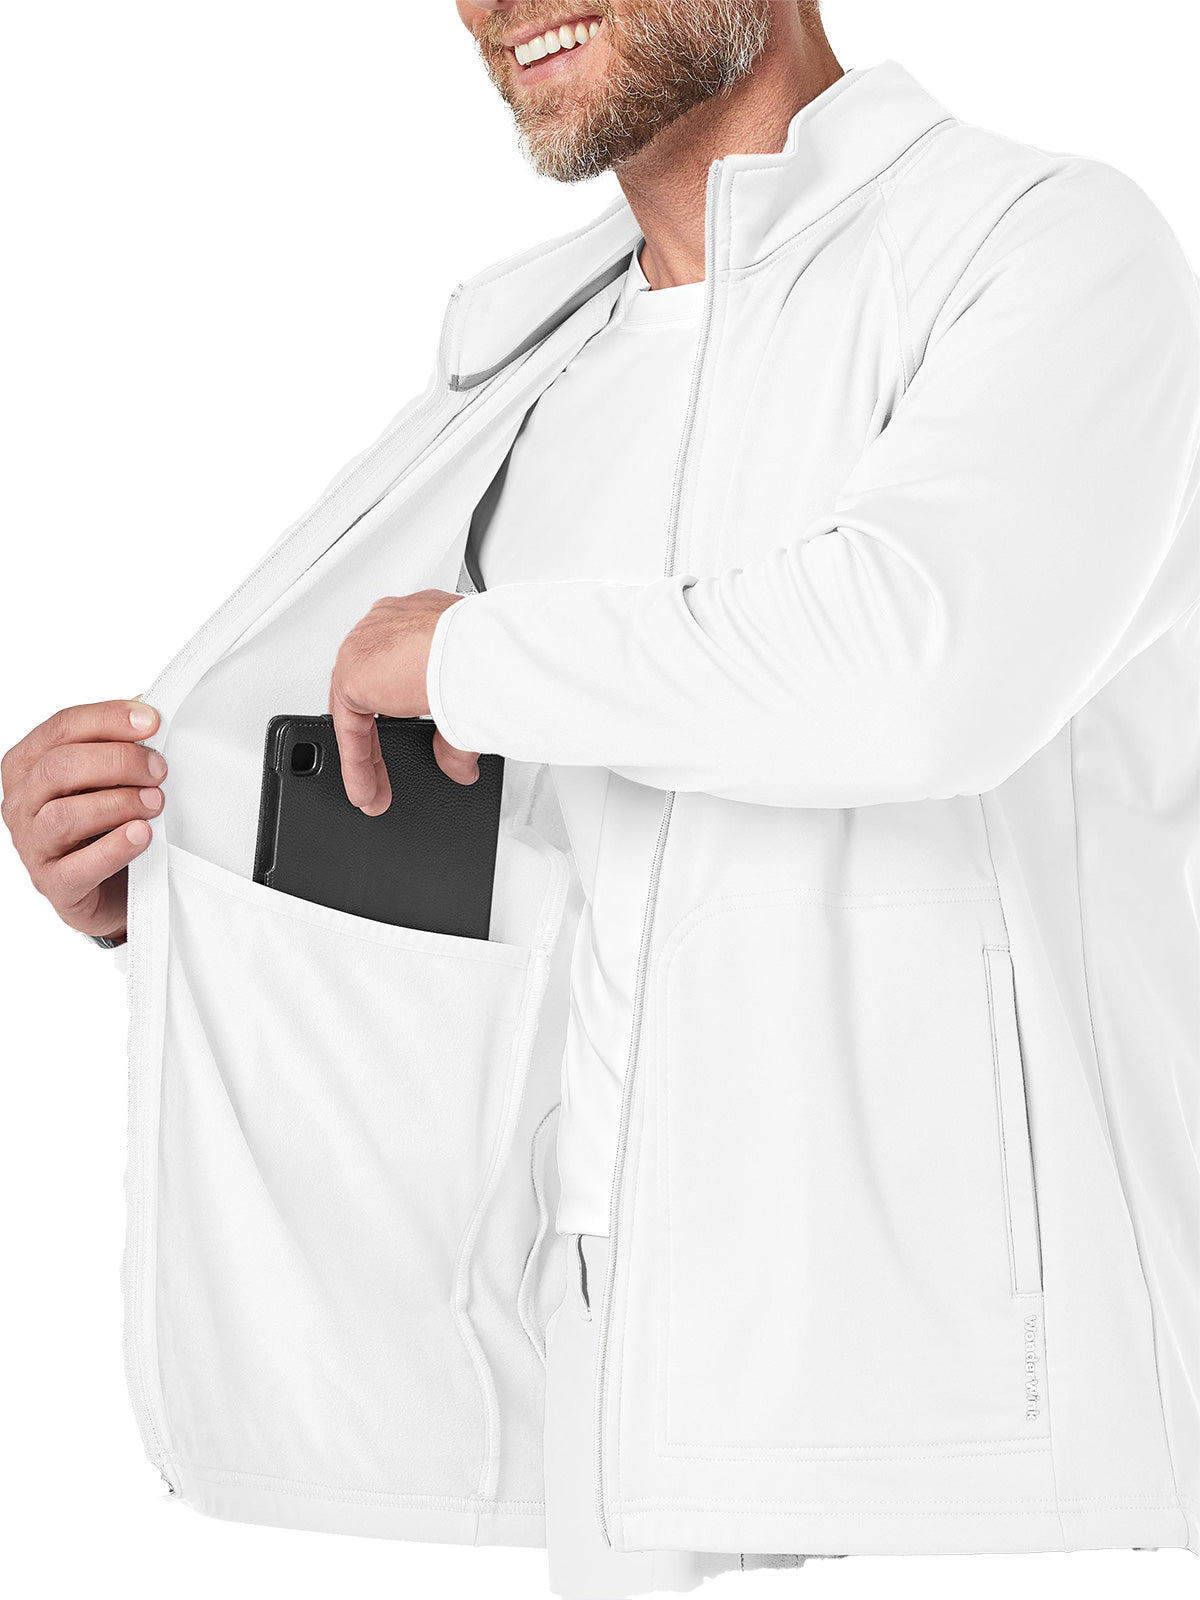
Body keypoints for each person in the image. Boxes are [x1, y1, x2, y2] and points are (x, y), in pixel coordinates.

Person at [4, 3, 1199, 1594]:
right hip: (622, 1399)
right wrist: (169, 869)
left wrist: (471, 657)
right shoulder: (532, 376)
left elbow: (923, 673)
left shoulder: (1042, 246)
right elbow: (533, 885)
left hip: (987, 1450)